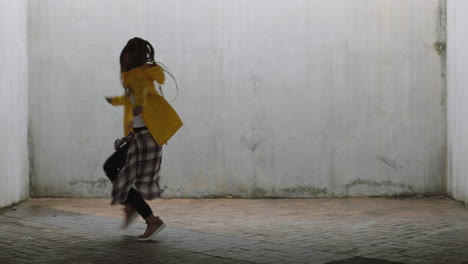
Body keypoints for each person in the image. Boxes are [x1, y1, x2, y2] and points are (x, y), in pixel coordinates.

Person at [105, 37, 183, 241]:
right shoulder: (134, 77)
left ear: (133, 57)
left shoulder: (137, 77)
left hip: (146, 137)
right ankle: (137, 208)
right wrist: (116, 100)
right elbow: (132, 97)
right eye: (123, 57)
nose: (123, 61)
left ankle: (150, 218)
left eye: (127, 56)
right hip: (138, 136)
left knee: (115, 171)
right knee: (113, 169)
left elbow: (140, 93)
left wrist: (138, 104)